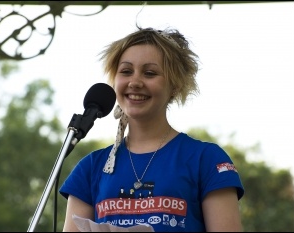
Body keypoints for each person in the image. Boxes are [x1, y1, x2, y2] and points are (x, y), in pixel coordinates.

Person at [59, 26, 245, 232]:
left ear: (175, 86)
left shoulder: (207, 159)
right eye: (126, 71)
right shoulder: (90, 168)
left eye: (149, 73)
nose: (135, 82)